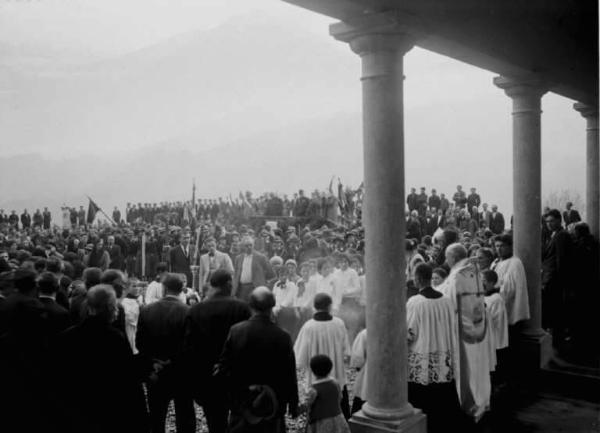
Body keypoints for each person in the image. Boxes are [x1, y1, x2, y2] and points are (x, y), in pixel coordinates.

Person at [51, 285, 148, 433]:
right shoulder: (115, 338)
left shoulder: (67, 337)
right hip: (108, 408)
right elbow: (129, 379)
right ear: (111, 308)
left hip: (75, 408)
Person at [216, 286, 299, 433]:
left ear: (251, 306)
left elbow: (224, 367)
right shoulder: (282, 336)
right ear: (272, 307)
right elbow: (289, 373)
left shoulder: (236, 331)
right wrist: (293, 403)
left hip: (242, 403)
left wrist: (230, 397)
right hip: (272, 404)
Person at [184, 269, 251, 433]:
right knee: (238, 420)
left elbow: (188, 347)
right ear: (229, 284)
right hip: (236, 373)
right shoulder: (242, 308)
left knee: (215, 422)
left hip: (206, 375)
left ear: (212, 286)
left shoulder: (195, 310)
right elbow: (248, 343)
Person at [436, 243, 496, 421]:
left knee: (467, 368)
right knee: (479, 365)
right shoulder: (474, 270)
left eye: (447, 258)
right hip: (476, 326)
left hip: (462, 330)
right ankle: (482, 400)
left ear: (453, 258)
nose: (446, 261)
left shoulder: (457, 276)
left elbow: (447, 301)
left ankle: (470, 405)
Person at [136, 274, 195, 433]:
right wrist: (173, 361)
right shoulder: (188, 312)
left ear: (163, 288)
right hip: (181, 372)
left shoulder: (147, 310)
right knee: (185, 414)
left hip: (156, 371)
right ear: (180, 289)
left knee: (156, 416)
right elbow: (190, 345)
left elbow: (140, 343)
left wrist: (154, 362)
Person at [407, 263, 461, 431]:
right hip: (442, 353)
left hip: (422, 353)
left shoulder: (415, 302)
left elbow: (409, 333)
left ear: (417, 278)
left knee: (422, 398)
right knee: (442, 395)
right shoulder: (446, 300)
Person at [294, 293, 351, 418]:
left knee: (317, 410)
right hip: (336, 373)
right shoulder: (339, 324)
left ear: (314, 307)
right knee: (341, 408)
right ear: (330, 306)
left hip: (316, 378)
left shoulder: (308, 327)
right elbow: (346, 350)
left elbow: (300, 357)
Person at [542, 209, 573, 348]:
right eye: (547, 221)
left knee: (556, 311)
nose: (549, 224)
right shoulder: (554, 234)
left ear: (559, 220)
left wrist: (560, 281)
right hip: (550, 279)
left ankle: (557, 344)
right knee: (554, 311)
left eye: (552, 221)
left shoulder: (561, 235)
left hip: (554, 280)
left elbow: (561, 260)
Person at [491, 234, 529, 327]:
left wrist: (493, 292)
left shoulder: (514, 263)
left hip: (508, 307)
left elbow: (510, 289)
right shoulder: (496, 262)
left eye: (502, 246)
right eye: (497, 246)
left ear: (509, 246)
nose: (499, 249)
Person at [305, 354, 351, 433]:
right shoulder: (335, 383)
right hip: (337, 417)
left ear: (313, 371)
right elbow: (340, 397)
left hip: (321, 420)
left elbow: (307, 404)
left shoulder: (314, 389)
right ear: (330, 369)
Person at [232, 236, 274, 302]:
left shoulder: (261, 257)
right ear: (243, 246)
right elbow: (236, 275)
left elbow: (270, 273)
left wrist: (262, 281)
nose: (249, 247)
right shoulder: (238, 258)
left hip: (255, 287)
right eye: (246, 246)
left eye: (250, 245)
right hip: (242, 289)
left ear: (253, 245)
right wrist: (234, 289)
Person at [349, 328, 368, 414]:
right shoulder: (396, 333)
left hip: (368, 375)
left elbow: (358, 357)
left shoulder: (365, 333)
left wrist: (358, 366)